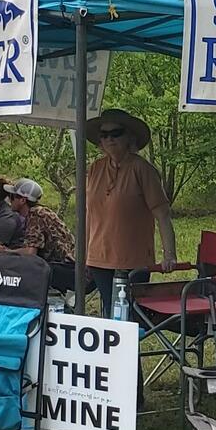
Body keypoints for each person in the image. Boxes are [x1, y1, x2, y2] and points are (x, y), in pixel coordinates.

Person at [83, 109, 176, 311]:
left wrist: (169, 255)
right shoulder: (94, 169)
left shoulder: (142, 169)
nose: (109, 139)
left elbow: (162, 214)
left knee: (129, 311)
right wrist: (82, 252)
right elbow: (89, 213)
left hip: (133, 257)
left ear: (129, 137)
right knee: (109, 309)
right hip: (98, 257)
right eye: (104, 135)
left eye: (116, 133)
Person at [0, 178, 73, 264]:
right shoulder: (40, 212)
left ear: (22, 200)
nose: (9, 200)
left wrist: (4, 251)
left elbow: (30, 252)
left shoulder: (36, 215)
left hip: (63, 266)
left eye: (12, 197)